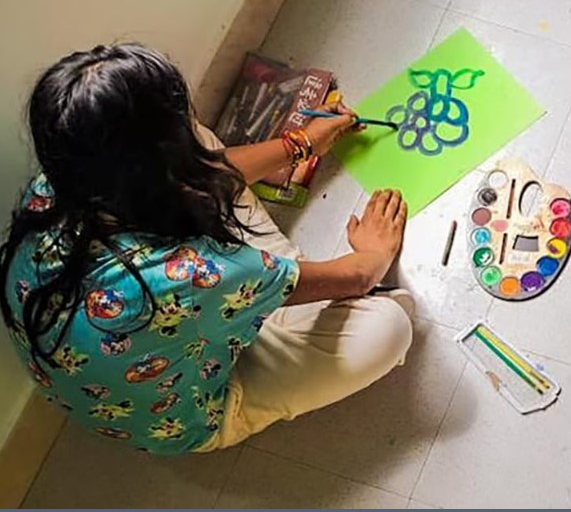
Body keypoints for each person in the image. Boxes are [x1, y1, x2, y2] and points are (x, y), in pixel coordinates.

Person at [1, 43, 414, 454]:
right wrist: (373, 253)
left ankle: (267, 289)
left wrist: (301, 144)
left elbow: (195, 174)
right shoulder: (198, 273)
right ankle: (272, 297)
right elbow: (357, 278)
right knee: (390, 327)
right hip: (195, 405)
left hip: (160, 338)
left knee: (199, 138)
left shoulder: (53, 188)